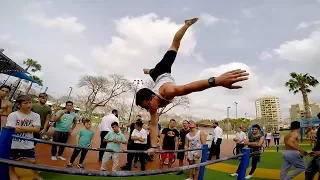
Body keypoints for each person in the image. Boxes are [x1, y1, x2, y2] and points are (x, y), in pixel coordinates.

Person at [135, 18, 249, 154]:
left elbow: (188, 88)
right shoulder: (152, 107)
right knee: (150, 71)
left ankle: (187, 24)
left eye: (147, 106)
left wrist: (216, 81)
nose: (148, 110)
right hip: (156, 77)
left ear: (153, 97)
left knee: (174, 45)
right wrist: (153, 146)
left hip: (162, 71)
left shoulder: (168, 91)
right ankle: (149, 71)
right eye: (145, 108)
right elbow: (153, 126)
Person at [6, 95, 42, 180]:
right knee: (11, 164)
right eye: (26, 103)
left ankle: (36, 176)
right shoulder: (13, 115)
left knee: (33, 161)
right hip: (13, 143)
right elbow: (12, 130)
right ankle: (13, 175)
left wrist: (19, 127)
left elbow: (37, 129)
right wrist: (30, 128)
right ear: (19, 105)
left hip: (28, 143)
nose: (29, 105)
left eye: (30, 102)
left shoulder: (36, 116)